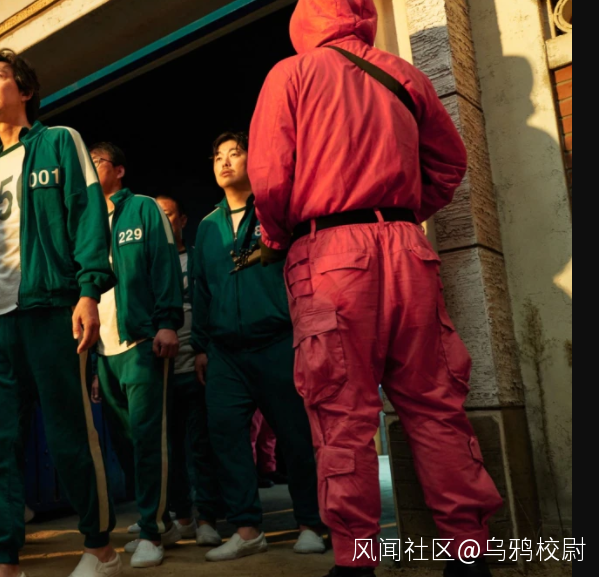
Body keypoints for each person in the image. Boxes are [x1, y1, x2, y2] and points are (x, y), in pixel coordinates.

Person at [248, 1, 504, 576]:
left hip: (328, 254)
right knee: (435, 405)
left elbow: (268, 178)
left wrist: (280, 235)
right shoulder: (404, 74)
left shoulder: (291, 74)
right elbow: (450, 164)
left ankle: (356, 561)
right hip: (408, 249)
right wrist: (402, 214)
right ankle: (469, 554)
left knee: (342, 413)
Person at [0, 49, 120, 577]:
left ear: (26, 90)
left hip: (51, 309)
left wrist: (88, 291)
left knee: (69, 434)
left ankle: (100, 549)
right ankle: (4, 560)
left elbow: (87, 213)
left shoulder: (59, 141)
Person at [191, 133, 325, 564]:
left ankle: (311, 523)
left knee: (296, 435)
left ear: (253, 160)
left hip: (277, 339)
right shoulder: (207, 226)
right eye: (218, 156)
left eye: (235, 153)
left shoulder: (273, 212)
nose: (225, 162)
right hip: (225, 351)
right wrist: (201, 346)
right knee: (226, 438)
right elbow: (201, 290)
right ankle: (247, 529)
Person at [86, 142, 182, 569]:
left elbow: (164, 264)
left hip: (142, 341)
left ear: (119, 169)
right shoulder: (86, 221)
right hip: (105, 351)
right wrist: (93, 361)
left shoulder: (143, 208)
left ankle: (152, 531)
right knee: (125, 445)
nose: (90, 169)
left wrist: (167, 321)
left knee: (148, 439)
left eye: (97, 162)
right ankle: (159, 519)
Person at [154, 195, 224, 549]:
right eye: (156, 216)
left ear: (182, 220)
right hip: (159, 368)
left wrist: (202, 348)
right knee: (169, 449)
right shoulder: (149, 259)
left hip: (194, 363)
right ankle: (181, 517)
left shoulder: (196, 257)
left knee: (201, 446)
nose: (162, 222)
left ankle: (207, 518)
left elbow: (211, 301)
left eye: (168, 215)